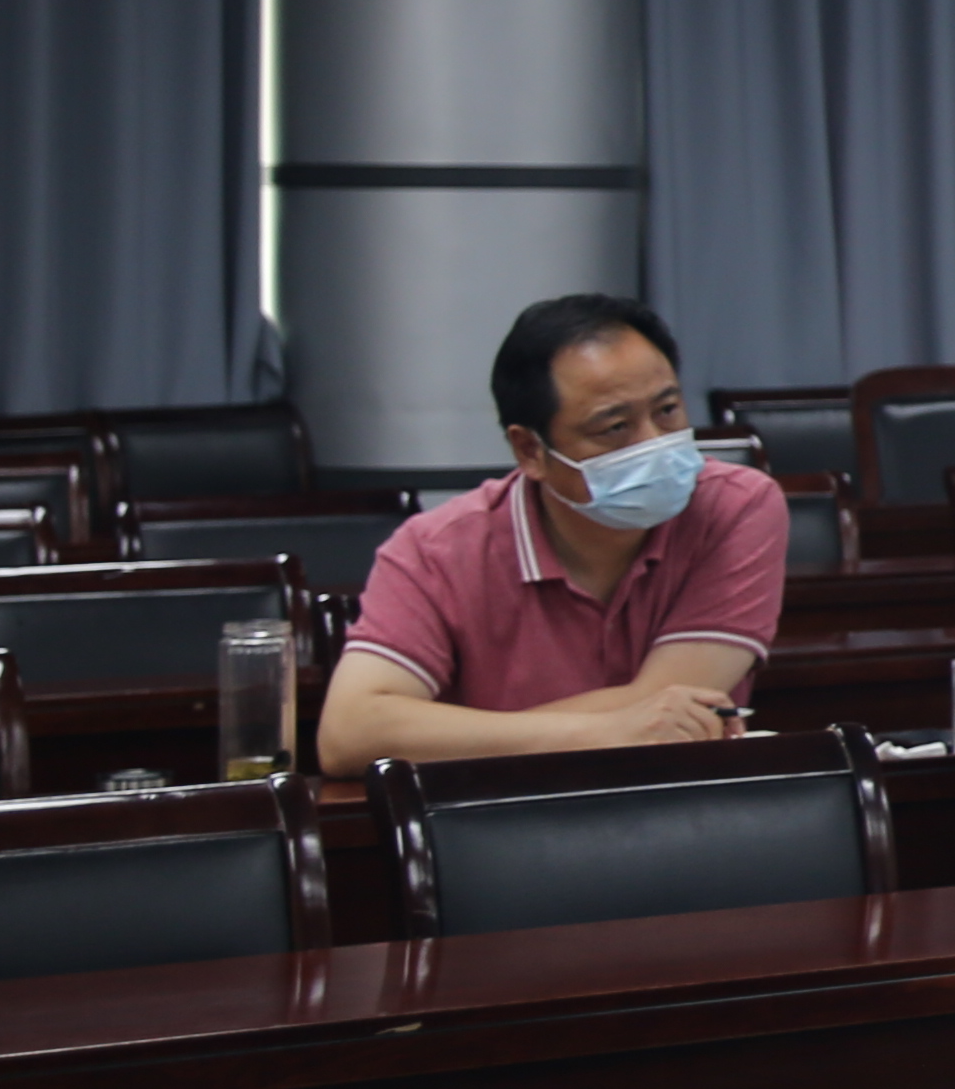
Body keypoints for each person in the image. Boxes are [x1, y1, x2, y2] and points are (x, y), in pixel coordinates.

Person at [324, 290, 787, 768]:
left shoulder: (734, 507)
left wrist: (451, 736)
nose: (655, 443)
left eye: (667, 410)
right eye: (615, 427)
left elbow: (667, 708)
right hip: (505, 809)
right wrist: (608, 731)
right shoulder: (435, 550)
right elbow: (349, 734)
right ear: (530, 451)